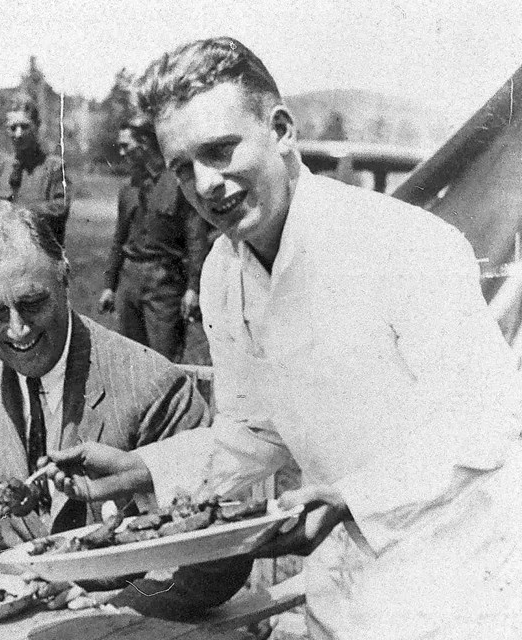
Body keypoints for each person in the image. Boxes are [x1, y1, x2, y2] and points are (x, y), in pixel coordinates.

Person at [41, 37, 522, 640]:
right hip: (340, 597)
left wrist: (351, 498)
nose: (206, 184)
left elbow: (490, 421)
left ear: (282, 130)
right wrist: (141, 468)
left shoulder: (402, 244)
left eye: (221, 151)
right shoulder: (222, 272)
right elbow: (258, 431)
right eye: (183, 167)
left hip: (458, 592)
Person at [0, 202, 251, 618]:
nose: (18, 329)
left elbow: (224, 556)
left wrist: (111, 607)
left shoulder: (151, 384)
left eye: (32, 303)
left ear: (64, 280)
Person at [98, 118, 208, 362]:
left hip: (164, 283)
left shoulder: (179, 183)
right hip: (129, 281)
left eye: (127, 145)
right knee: (129, 359)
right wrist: (109, 285)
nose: (122, 152)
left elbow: (196, 239)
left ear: (145, 143)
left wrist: (193, 288)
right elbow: (119, 240)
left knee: (164, 361)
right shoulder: (128, 188)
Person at [0, 95, 71, 245]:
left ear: (37, 126)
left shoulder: (54, 168)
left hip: (41, 258)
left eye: (25, 126)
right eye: (13, 128)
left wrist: (18, 210)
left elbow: (60, 209)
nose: (18, 134)